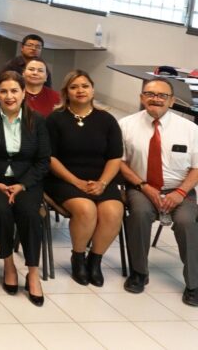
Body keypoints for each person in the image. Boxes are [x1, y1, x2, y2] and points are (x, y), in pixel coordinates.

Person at [0, 71, 50, 306]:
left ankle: (33, 271)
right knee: (0, 211)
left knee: (30, 214)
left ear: (24, 93)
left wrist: (22, 185)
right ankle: (8, 264)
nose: (9, 96)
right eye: (3, 91)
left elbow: (43, 160)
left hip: (26, 182)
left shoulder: (37, 120)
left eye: (14, 90)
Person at [118, 78, 198, 304]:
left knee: (186, 222)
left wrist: (180, 193)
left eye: (162, 95)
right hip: (141, 187)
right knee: (139, 214)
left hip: (180, 190)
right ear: (142, 98)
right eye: (150, 94)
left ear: (172, 101)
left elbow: (197, 168)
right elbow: (120, 163)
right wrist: (143, 186)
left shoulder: (191, 129)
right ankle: (139, 273)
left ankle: (194, 283)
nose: (156, 99)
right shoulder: (125, 125)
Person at [44, 70, 124, 287]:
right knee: (86, 209)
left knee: (113, 212)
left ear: (93, 90)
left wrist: (103, 183)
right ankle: (78, 258)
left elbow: (115, 157)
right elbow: (50, 158)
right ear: (66, 92)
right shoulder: (55, 119)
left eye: (85, 86)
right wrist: (76, 182)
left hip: (101, 179)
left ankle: (94, 261)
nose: (80, 90)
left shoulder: (107, 120)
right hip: (63, 179)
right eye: (74, 87)